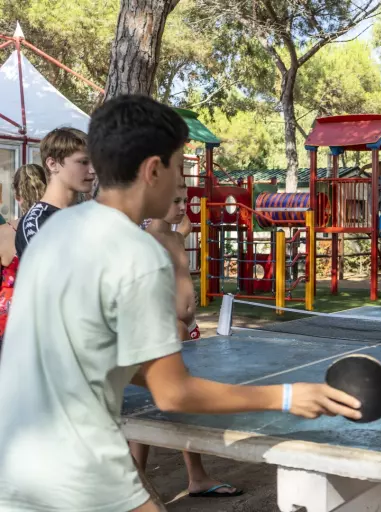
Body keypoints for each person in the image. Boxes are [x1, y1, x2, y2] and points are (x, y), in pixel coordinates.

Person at [0, 95, 361, 512]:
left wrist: (149, 372)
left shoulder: (58, 230)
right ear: (154, 170)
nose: (179, 185)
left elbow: (75, 351)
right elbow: (173, 395)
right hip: (76, 469)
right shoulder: (137, 252)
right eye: (177, 168)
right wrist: (286, 397)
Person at [132, 173, 241, 498]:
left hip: (186, 327)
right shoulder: (145, 241)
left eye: (185, 201)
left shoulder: (174, 236)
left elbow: (182, 237)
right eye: (176, 202)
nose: (183, 208)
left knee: (171, 403)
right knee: (164, 402)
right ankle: (140, 483)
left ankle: (193, 476)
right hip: (166, 329)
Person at [15, 127, 94, 258]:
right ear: (52, 164)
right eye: (83, 162)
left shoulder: (88, 214)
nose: (92, 170)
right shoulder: (37, 223)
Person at [0, 164, 48, 346]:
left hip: (7, 319)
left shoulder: (4, 232)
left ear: (17, 196)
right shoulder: (57, 227)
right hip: (42, 317)